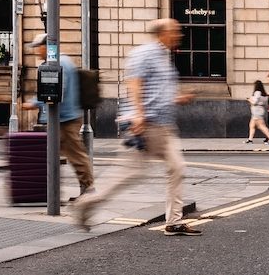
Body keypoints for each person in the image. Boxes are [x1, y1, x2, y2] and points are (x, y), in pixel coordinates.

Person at [71, 18, 198, 236]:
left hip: (164, 126)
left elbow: (158, 92)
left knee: (177, 168)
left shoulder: (164, 57)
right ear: (163, 33)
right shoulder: (145, 53)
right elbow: (134, 83)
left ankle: (174, 221)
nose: (179, 35)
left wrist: (178, 98)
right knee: (129, 173)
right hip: (146, 126)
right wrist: (138, 114)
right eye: (175, 31)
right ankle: (85, 204)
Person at [24, 34, 94, 199]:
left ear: (46, 47)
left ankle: (88, 191)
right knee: (55, 155)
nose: (36, 52)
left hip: (65, 119)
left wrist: (35, 103)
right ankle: (52, 192)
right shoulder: (64, 61)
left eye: (38, 48)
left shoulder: (58, 63)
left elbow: (55, 90)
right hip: (64, 117)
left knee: (76, 156)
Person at [245, 80, 269, 145]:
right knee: (252, 125)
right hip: (260, 111)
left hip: (256, 111)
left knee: (261, 126)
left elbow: (254, 102)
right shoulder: (264, 94)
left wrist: (249, 100)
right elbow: (265, 103)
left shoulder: (257, 92)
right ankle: (250, 139)